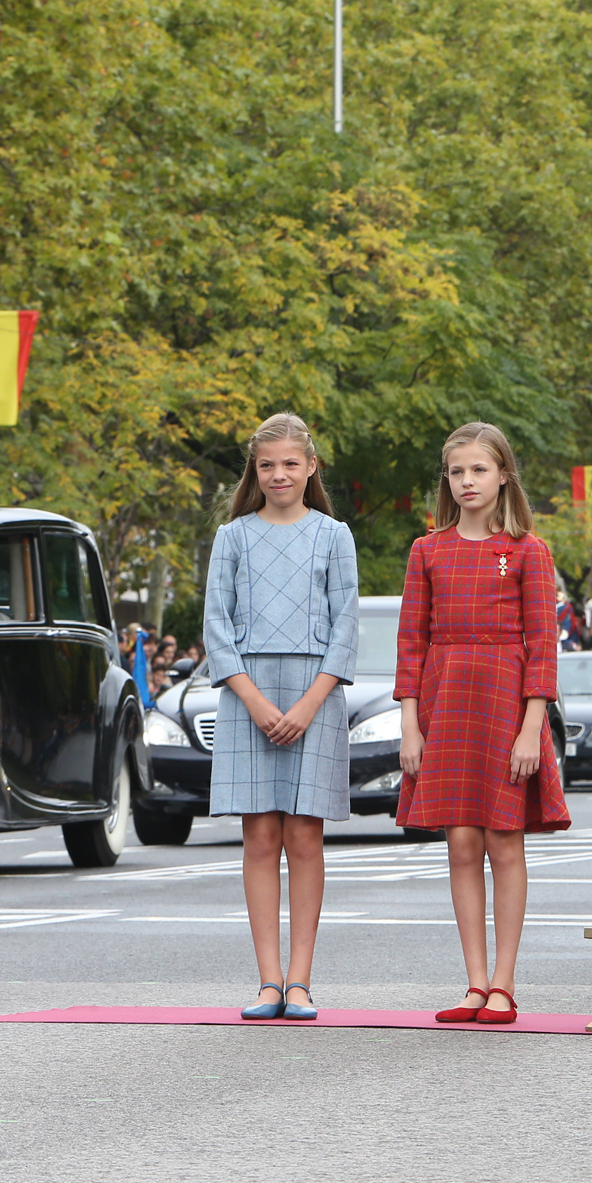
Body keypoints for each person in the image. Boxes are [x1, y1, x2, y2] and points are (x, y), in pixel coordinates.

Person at [395, 422, 571, 1025]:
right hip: (445, 706)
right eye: (456, 472)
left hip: (505, 705)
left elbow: (543, 648)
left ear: (503, 476)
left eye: (478, 470)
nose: (466, 481)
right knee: (461, 843)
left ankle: (503, 983)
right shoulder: (428, 549)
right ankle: (472, 983)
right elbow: (411, 643)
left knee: (503, 840)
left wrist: (532, 727)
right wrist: (411, 726)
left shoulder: (528, 552)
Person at [202, 412, 360, 1022]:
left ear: (311, 467)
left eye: (291, 463)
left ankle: (300, 981)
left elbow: (345, 627)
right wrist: (257, 701)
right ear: (254, 470)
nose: (279, 474)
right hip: (248, 695)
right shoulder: (232, 537)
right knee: (260, 836)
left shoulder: (334, 535)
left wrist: (309, 702)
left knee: (304, 836)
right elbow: (217, 626)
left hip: (315, 692)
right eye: (267, 464)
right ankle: (267, 981)